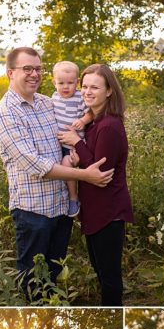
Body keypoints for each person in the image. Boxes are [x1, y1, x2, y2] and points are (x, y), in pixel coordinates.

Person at [0, 46, 115, 300]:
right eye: (27, 69)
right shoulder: (5, 114)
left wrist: (78, 153)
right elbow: (34, 164)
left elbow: (76, 129)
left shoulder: (49, 103)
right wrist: (85, 176)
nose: (34, 74)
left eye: (38, 68)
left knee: (54, 272)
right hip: (33, 211)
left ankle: (50, 319)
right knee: (32, 278)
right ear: (10, 73)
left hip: (61, 207)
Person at [58, 63, 133, 306]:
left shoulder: (109, 126)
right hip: (95, 210)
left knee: (110, 279)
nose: (88, 92)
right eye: (85, 86)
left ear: (109, 91)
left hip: (108, 212)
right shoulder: (93, 122)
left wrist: (75, 143)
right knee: (101, 273)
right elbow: (88, 161)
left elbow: (101, 173)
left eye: (95, 87)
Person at [50, 60, 95, 217]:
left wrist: (83, 121)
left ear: (77, 82)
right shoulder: (54, 97)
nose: (65, 87)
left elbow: (91, 113)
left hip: (75, 145)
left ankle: (73, 198)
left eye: (70, 83)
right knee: (54, 168)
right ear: (54, 82)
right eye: (61, 83)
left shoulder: (79, 98)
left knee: (66, 164)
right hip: (59, 144)